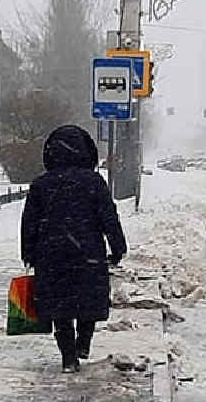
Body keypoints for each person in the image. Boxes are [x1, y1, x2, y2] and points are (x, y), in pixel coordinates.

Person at [21, 125, 127, 373]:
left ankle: (68, 356)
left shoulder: (41, 185)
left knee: (60, 307)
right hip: (88, 253)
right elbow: (109, 217)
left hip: (51, 255)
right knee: (88, 300)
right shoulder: (93, 182)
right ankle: (84, 342)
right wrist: (118, 247)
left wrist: (28, 252)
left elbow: (29, 222)